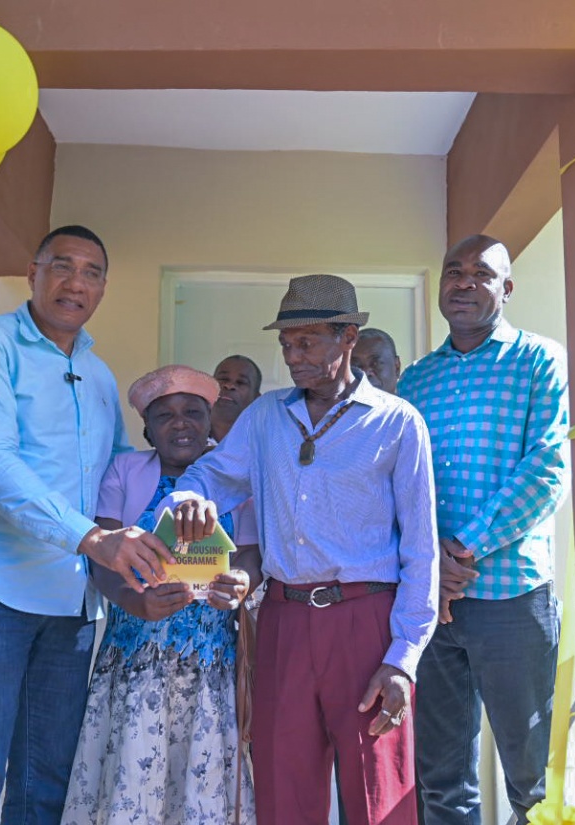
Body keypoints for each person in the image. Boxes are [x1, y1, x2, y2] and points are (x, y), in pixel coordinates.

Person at [162, 274, 439, 825]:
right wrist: (192, 496)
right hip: (284, 621)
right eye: (287, 344)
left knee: (378, 794)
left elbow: (422, 552)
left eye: (307, 342)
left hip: (368, 624)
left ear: (347, 339)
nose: (293, 357)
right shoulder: (265, 417)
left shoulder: (398, 423)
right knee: (283, 789)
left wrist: (403, 659)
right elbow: (212, 474)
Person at [0, 225, 173, 825]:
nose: (76, 282)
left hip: (73, 604)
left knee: (48, 777)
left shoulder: (97, 375)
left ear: (103, 288)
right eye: (62, 265)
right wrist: (94, 538)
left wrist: (197, 488)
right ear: (33, 273)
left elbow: (119, 479)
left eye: (92, 272)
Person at [398, 235, 569, 825]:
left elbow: (548, 467)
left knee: (533, 780)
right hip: (432, 608)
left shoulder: (540, 360)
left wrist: (462, 548)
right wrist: (428, 566)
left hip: (512, 599)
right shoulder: (415, 382)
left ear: (506, 288)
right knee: (441, 778)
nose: (464, 282)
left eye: (481, 273)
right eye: (454, 271)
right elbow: (400, 487)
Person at [63, 364, 261, 825]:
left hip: (210, 662)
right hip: (135, 659)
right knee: (130, 781)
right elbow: (101, 554)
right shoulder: (125, 470)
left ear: (211, 421)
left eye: (193, 412)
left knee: (200, 787)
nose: (180, 423)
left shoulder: (235, 480)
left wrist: (241, 583)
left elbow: (250, 556)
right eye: (164, 415)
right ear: (147, 430)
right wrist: (133, 601)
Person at [211, 354, 263, 442]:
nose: (229, 385)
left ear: (256, 398)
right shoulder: (188, 431)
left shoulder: (262, 442)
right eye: (223, 379)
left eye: (241, 382)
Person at [352, 328, 402, 394]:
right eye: (356, 366)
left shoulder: (413, 402)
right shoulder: (338, 403)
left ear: (396, 367)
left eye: (376, 363)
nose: (365, 373)